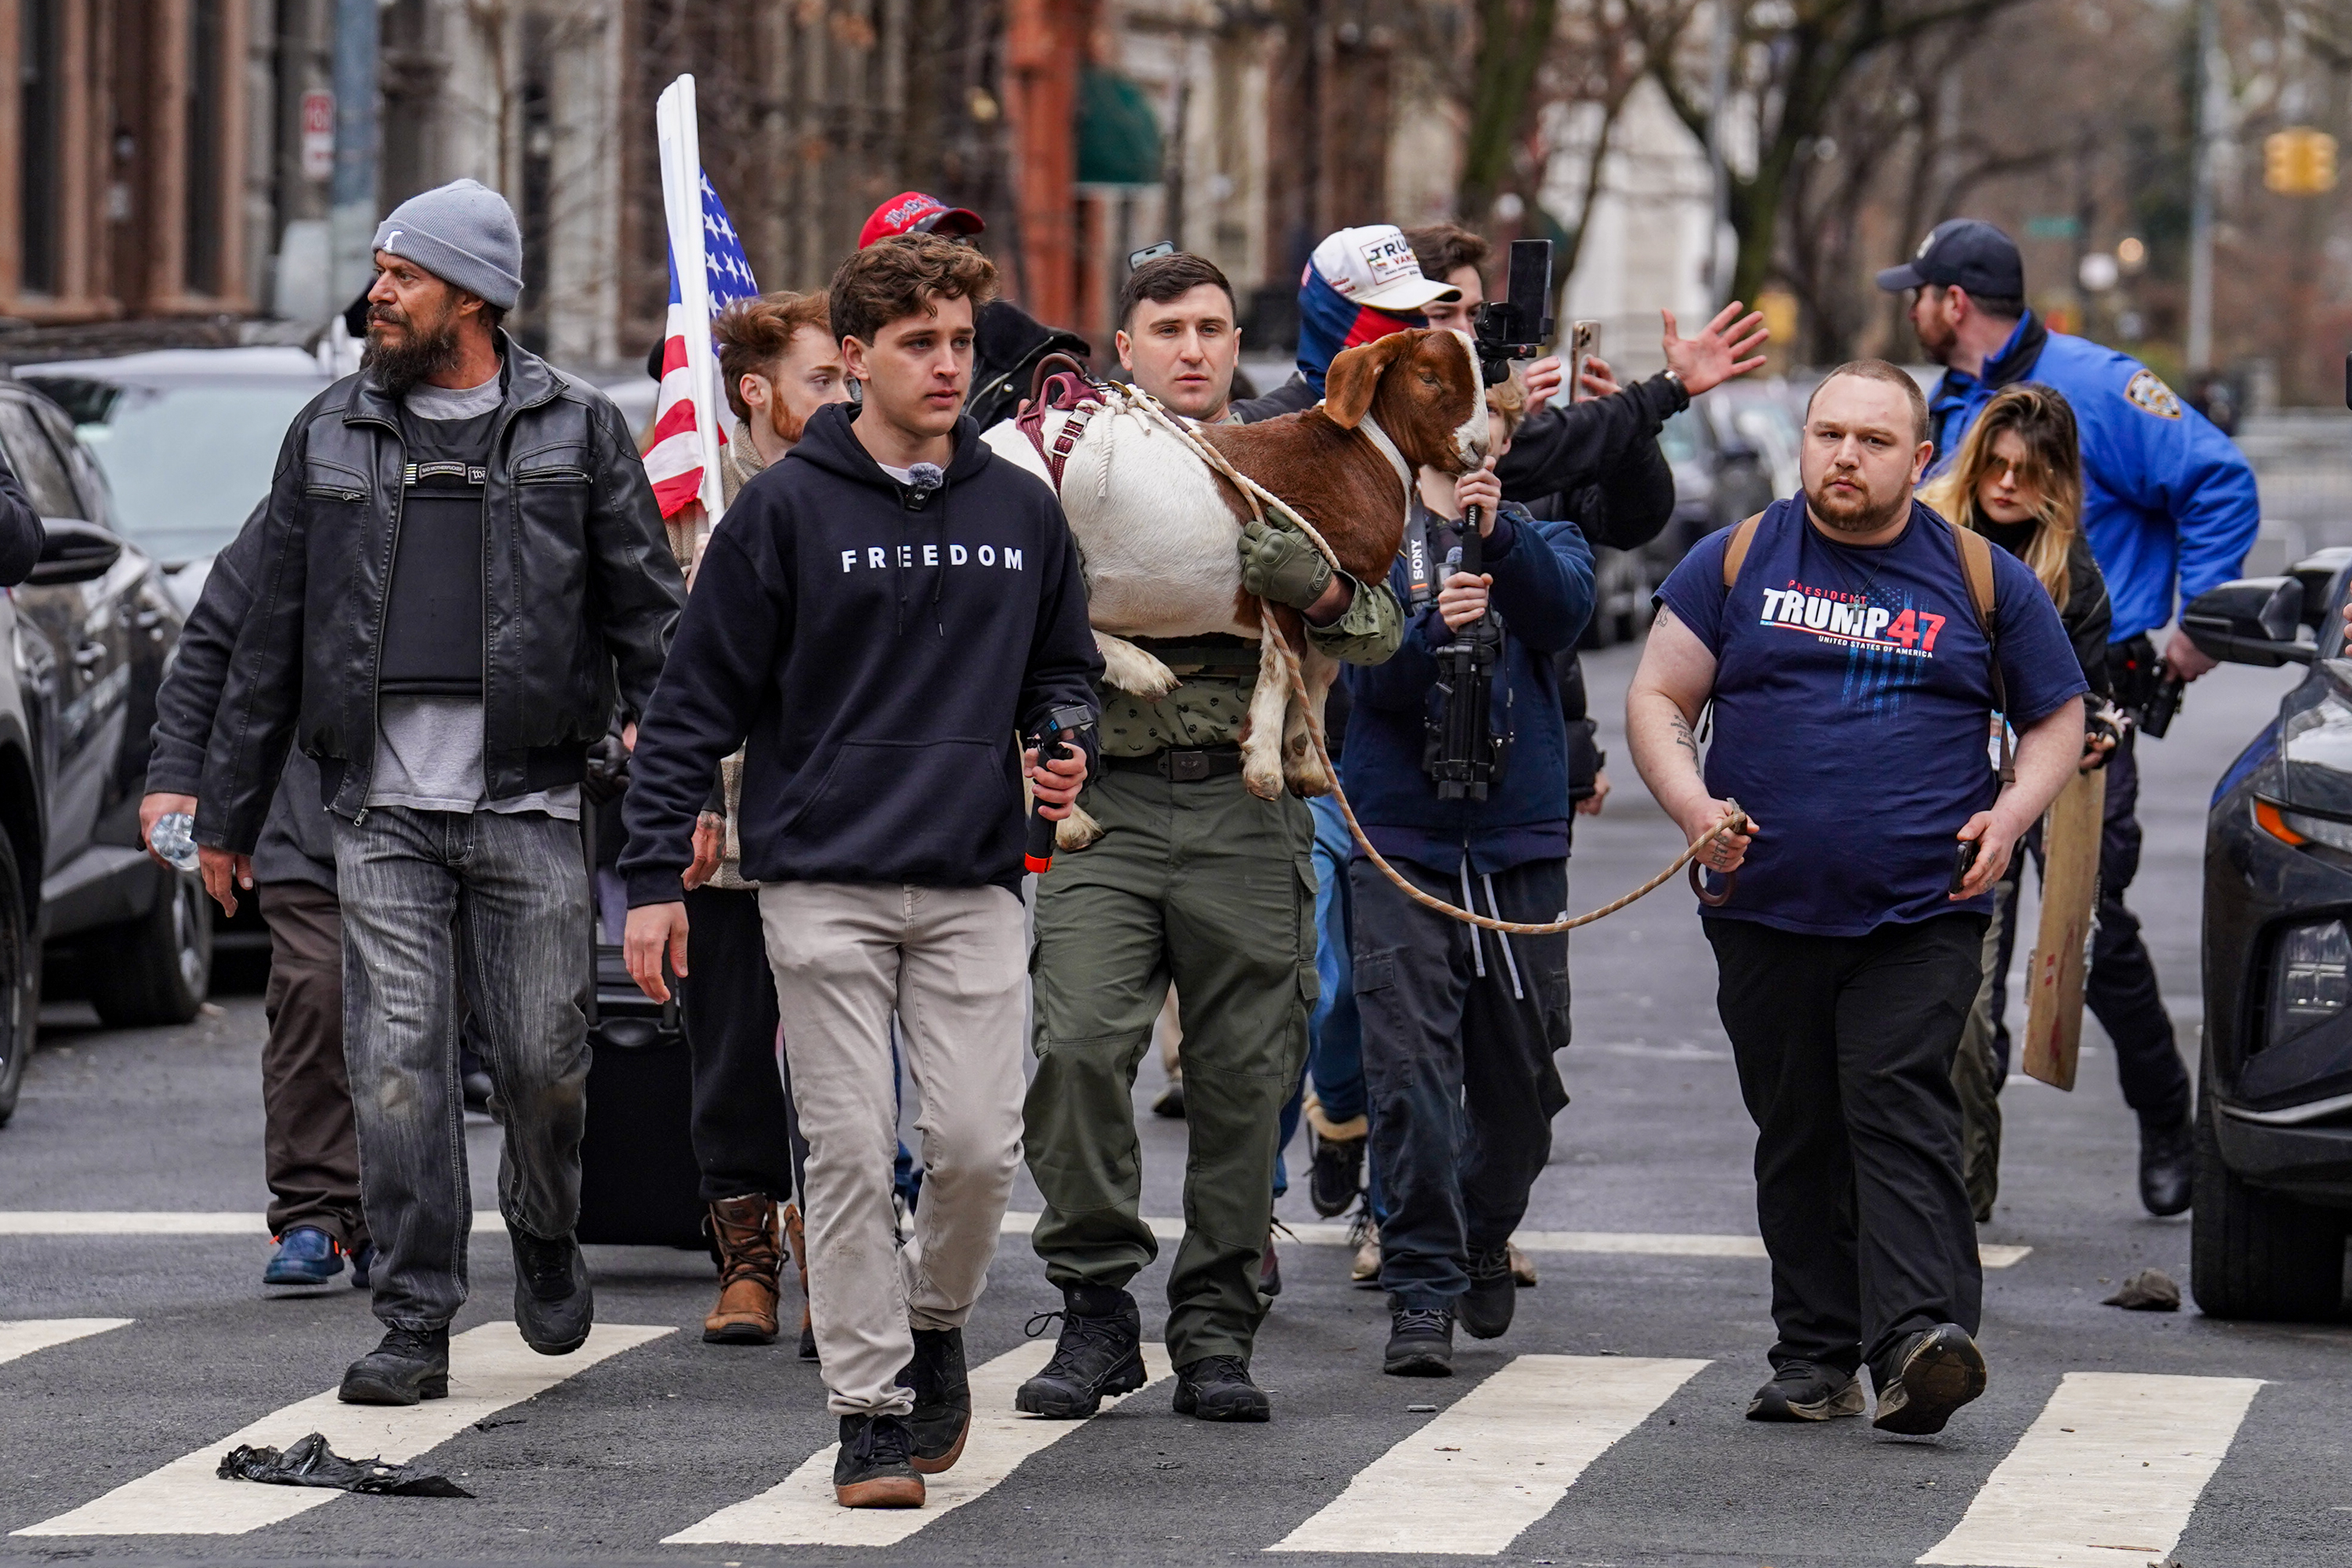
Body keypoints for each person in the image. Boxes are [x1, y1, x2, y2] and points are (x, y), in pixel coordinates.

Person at [617, 234, 1100, 1509]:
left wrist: (1064, 737)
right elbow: (689, 711)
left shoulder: (1017, 509)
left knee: (980, 1147)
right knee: (840, 1149)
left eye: (961, 341)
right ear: (858, 360)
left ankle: (935, 1319)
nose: (950, 365)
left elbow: (1065, 666)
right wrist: (654, 880)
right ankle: (872, 1413)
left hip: (974, 874)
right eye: (919, 344)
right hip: (819, 877)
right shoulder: (783, 512)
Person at [193, 179, 684, 1406]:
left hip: (529, 803)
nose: (378, 297)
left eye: (400, 276)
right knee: (398, 1068)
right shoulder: (327, 432)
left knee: (545, 1066)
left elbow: (651, 633)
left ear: (469, 293)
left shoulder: (577, 429)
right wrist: (226, 814)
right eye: (379, 273)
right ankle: (415, 1314)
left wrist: (676, 811)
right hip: (379, 812)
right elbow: (271, 636)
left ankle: (544, 1226)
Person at [1628, 361, 2087, 1434]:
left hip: (1921, 907)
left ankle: (1921, 1339)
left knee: (1896, 1102)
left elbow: (2057, 717)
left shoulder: (1979, 577)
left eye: (1873, 441)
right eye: (1828, 433)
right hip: (1761, 903)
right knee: (1798, 1129)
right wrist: (1695, 805)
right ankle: (1814, 1355)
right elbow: (1658, 694)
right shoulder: (1735, 560)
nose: (1844, 455)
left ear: (1921, 462)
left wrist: (2010, 817)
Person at [1014, 250, 1404, 1425]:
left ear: (1240, 347)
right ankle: (1093, 1312)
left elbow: (1384, 626)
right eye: (1169, 328)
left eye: (1216, 328)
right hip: (1109, 809)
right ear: (1123, 349)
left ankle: (1218, 1330)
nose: (1195, 347)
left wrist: (1325, 594)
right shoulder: (1071, 466)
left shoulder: (1304, 466)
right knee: (1079, 1048)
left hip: (1250, 806)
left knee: (1246, 1081)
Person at [1880, 219, 2259, 1214]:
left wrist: (2190, 635)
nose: (1908, 310)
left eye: (1914, 293)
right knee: (1967, 927)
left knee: (2086, 928)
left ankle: (2170, 1120)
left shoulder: (2095, 385)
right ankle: (1968, 1161)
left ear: (1950, 302)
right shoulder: (1955, 405)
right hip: (1964, 716)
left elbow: (2218, 479)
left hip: (2090, 693)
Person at [1345, 371, 1595, 1377]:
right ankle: (1422, 1286)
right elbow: (1363, 678)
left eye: (1481, 423)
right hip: (1403, 839)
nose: (1464, 436)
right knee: (1409, 1076)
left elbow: (1566, 612)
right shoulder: (1376, 533)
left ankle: (1489, 1227)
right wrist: (1428, 627)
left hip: (1516, 842)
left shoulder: (1544, 528)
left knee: (1521, 1086)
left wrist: (1505, 537)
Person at [675, 291, 853, 1352]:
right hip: (727, 829)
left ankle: (839, 1248)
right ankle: (745, 1254)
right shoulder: (691, 500)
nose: (841, 397)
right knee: (732, 1054)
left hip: (840, 825)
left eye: (846, 378)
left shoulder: (859, 493)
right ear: (758, 390)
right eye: (821, 379)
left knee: (841, 1063)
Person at [143, 506, 371, 1294]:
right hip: (304, 808)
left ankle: (394, 1211)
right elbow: (209, 640)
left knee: (420, 1013)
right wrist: (176, 773)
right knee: (314, 989)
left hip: (440, 809)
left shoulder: (487, 465)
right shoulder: (317, 475)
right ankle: (313, 1208)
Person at [1918, 385, 2122, 1221]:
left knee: (1968, 1015)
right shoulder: (1918, 530)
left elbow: (2085, 699)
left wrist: (2098, 726)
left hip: (1993, 809)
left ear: (2057, 481)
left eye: (2027, 472)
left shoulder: (2069, 573)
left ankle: (1960, 1200)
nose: (2006, 483)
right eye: (1996, 464)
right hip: (1890, 790)